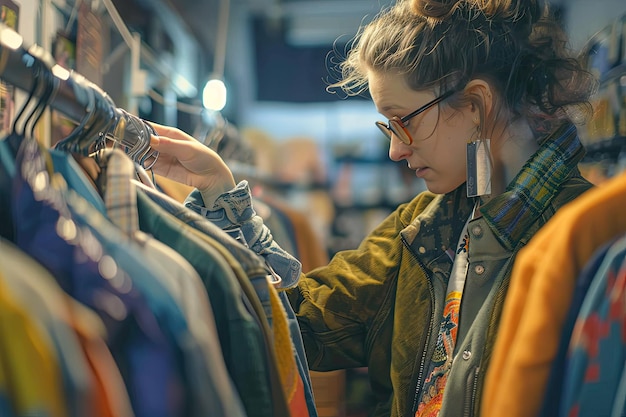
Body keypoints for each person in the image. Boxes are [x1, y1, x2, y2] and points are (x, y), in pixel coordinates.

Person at [147, 0, 598, 415]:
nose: (395, 152)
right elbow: (303, 322)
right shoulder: (422, 229)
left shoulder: (591, 242)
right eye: (390, 127)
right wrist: (221, 194)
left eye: (404, 122)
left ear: (477, 105)